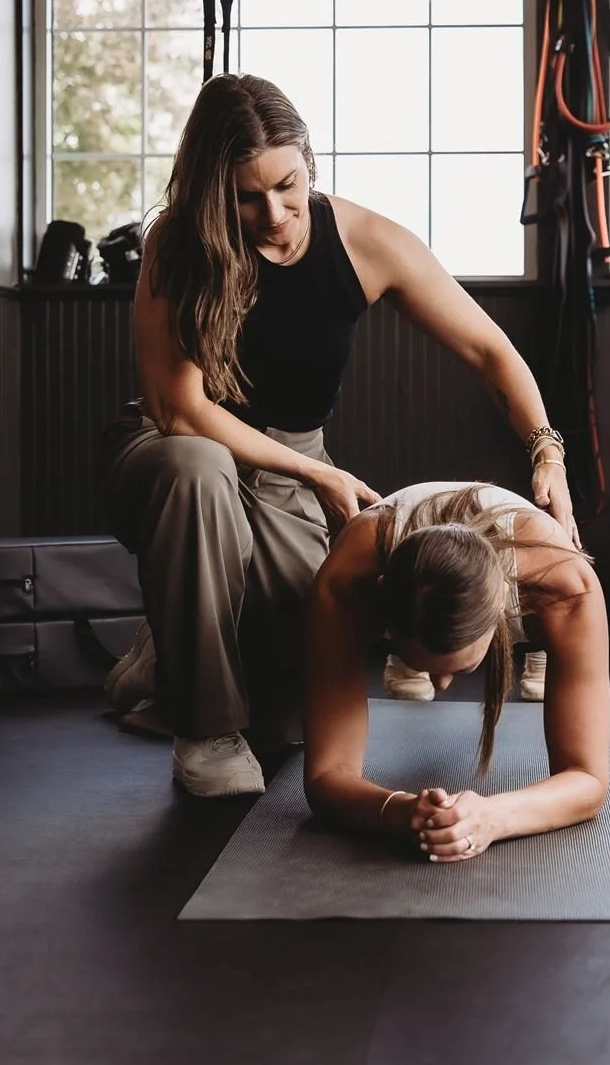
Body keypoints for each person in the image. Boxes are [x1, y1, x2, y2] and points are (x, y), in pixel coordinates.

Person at [98, 74, 578, 798]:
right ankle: (204, 732)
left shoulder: (365, 241)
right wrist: (319, 474)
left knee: (290, 714)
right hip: (173, 454)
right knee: (197, 469)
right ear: (211, 188)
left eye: (288, 186)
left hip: (292, 467)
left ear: (310, 162)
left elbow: (489, 351)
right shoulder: (179, 241)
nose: (274, 212)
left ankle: (161, 660)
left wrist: (546, 449)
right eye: (246, 196)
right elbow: (181, 410)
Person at [301, 482, 610, 860]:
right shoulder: (347, 581)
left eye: (461, 668)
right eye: (421, 665)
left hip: (529, 584)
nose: (441, 685)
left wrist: (495, 817)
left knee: (559, 640)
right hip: (385, 565)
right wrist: (402, 812)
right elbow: (325, 776)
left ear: (502, 611)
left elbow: (589, 779)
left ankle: (542, 652)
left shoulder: (565, 584)